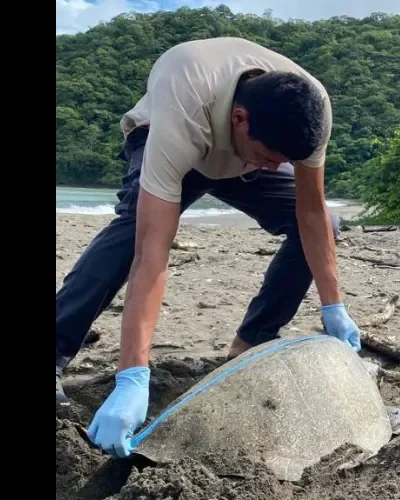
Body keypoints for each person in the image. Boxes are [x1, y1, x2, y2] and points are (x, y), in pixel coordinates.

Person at [54, 37, 362, 458]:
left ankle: (252, 342)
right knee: (131, 233)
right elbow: (151, 250)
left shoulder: (312, 109)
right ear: (238, 118)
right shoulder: (184, 104)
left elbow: (310, 214)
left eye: (285, 160)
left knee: (325, 225)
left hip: (241, 152)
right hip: (171, 137)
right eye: (272, 158)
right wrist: (132, 376)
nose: (278, 167)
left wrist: (333, 305)